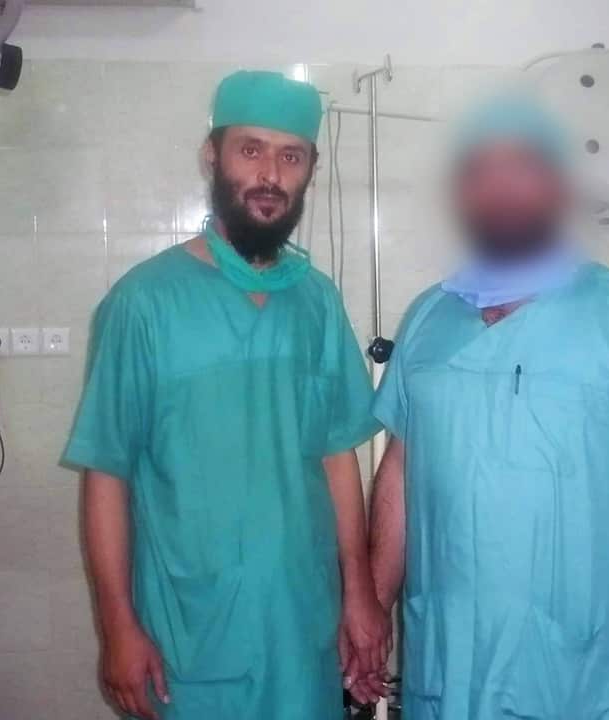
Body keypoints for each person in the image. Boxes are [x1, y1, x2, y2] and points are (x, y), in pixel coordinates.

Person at [366, 92, 609, 720]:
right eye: (482, 171)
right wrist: (373, 600)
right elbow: (398, 472)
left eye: (523, 166)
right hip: (450, 667)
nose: (502, 188)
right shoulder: (428, 316)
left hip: (589, 672)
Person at [64, 70, 389, 720]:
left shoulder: (316, 301)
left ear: (309, 172)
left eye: (290, 156)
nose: (270, 172)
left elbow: (336, 456)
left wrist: (358, 592)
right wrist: (118, 626)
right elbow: (108, 473)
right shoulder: (144, 302)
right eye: (251, 149)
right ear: (213, 156)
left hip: (302, 619)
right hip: (188, 627)